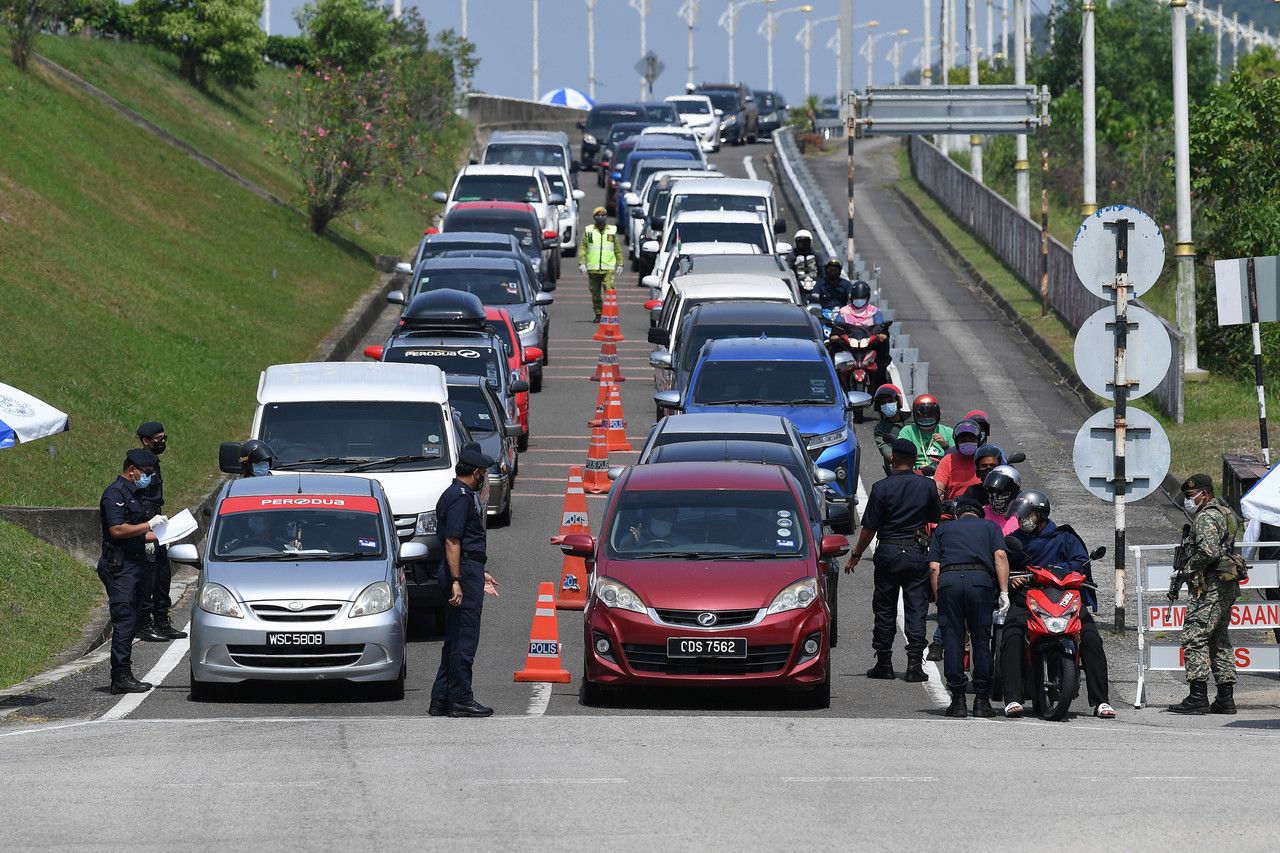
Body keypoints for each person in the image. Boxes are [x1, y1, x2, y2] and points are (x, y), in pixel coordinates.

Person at [1008, 490, 1115, 719]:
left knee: (1091, 639)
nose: (1023, 520)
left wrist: (1057, 571)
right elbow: (1004, 565)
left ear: (1041, 514)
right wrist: (1012, 578)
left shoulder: (1064, 537)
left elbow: (1080, 562)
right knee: (1011, 635)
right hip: (1028, 598)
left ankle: (1101, 701)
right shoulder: (1016, 540)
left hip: (1065, 597)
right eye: (1021, 516)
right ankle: (1013, 698)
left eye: (1028, 515)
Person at [847, 438, 943, 682]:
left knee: (884, 607)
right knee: (917, 607)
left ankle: (884, 662)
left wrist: (856, 554)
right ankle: (913, 664)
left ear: (892, 458)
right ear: (914, 461)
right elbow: (934, 517)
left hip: (888, 551)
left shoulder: (881, 487)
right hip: (915, 551)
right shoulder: (927, 486)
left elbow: (869, 527)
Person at [430, 446, 501, 718]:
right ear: (474, 473)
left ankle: (442, 697)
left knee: (454, 638)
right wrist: (458, 580)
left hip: (467, 568)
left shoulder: (452, 494)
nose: (484, 476)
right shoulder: (460, 498)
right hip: (462, 574)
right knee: (465, 640)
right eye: (482, 472)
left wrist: (477, 571)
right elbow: (453, 540)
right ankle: (461, 698)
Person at [1168, 474, 1245, 715]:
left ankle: (1198, 695)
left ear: (1204, 493)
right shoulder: (1225, 512)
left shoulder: (1206, 517)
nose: (1189, 501)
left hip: (1210, 586)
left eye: (1191, 496)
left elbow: (1209, 551)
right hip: (1225, 585)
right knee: (1219, 639)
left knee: (1195, 636)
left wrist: (1189, 567)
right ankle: (1225, 697)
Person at [928, 498, 1010, 718]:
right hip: (980, 582)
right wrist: (1004, 592)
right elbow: (1000, 556)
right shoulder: (990, 527)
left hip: (949, 581)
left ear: (958, 514)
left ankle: (958, 701)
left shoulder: (943, 529)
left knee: (953, 638)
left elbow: (934, 568)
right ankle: (982, 700)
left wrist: (939, 597)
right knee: (981, 640)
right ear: (978, 514)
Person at [97, 449, 168, 694]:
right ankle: (120, 677)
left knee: (134, 619)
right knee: (125, 621)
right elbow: (117, 530)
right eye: (146, 473)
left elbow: (138, 532)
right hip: (119, 566)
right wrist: (148, 525)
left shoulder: (135, 494)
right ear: (132, 471)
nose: (149, 477)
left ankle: (125, 673)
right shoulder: (115, 494)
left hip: (135, 563)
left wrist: (162, 534)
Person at [133, 422, 186, 642]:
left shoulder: (154, 462)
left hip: (158, 522)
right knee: (148, 575)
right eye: (158, 439)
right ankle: (145, 624)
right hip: (146, 522)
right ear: (146, 441)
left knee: (163, 574)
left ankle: (162, 621)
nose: (162, 442)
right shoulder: (139, 463)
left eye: (165, 437)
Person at [579, 206, 623, 323]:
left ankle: (609, 314)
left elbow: (617, 249)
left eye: (603, 215)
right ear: (594, 217)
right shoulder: (589, 231)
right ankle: (598, 314)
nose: (600, 218)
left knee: (609, 291)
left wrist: (620, 264)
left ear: (606, 217)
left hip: (608, 268)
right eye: (598, 215)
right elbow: (584, 247)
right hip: (593, 269)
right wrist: (581, 263)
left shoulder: (611, 231)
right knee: (595, 294)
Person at [896, 394, 954, 469]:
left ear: (938, 414)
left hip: (941, 472)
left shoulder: (948, 432)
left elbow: (956, 458)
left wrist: (945, 446)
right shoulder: (908, 431)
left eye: (930, 414)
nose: (926, 418)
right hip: (914, 472)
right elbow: (900, 453)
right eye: (922, 415)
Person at [933, 419, 983, 501]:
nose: (967, 442)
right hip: (953, 508)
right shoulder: (948, 460)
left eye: (971, 440)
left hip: (982, 507)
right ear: (956, 443)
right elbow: (937, 489)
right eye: (963, 440)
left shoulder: (984, 459)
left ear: (978, 441)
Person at [872, 384, 909, 476]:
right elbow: (884, 447)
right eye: (883, 403)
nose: (887, 405)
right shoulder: (880, 428)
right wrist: (895, 458)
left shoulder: (911, 419)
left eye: (890, 401)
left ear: (898, 402)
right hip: (896, 466)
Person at [981, 465, 1022, 534]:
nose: (994, 495)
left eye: (1000, 491)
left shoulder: (1021, 517)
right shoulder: (981, 513)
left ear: (1013, 492)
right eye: (990, 490)